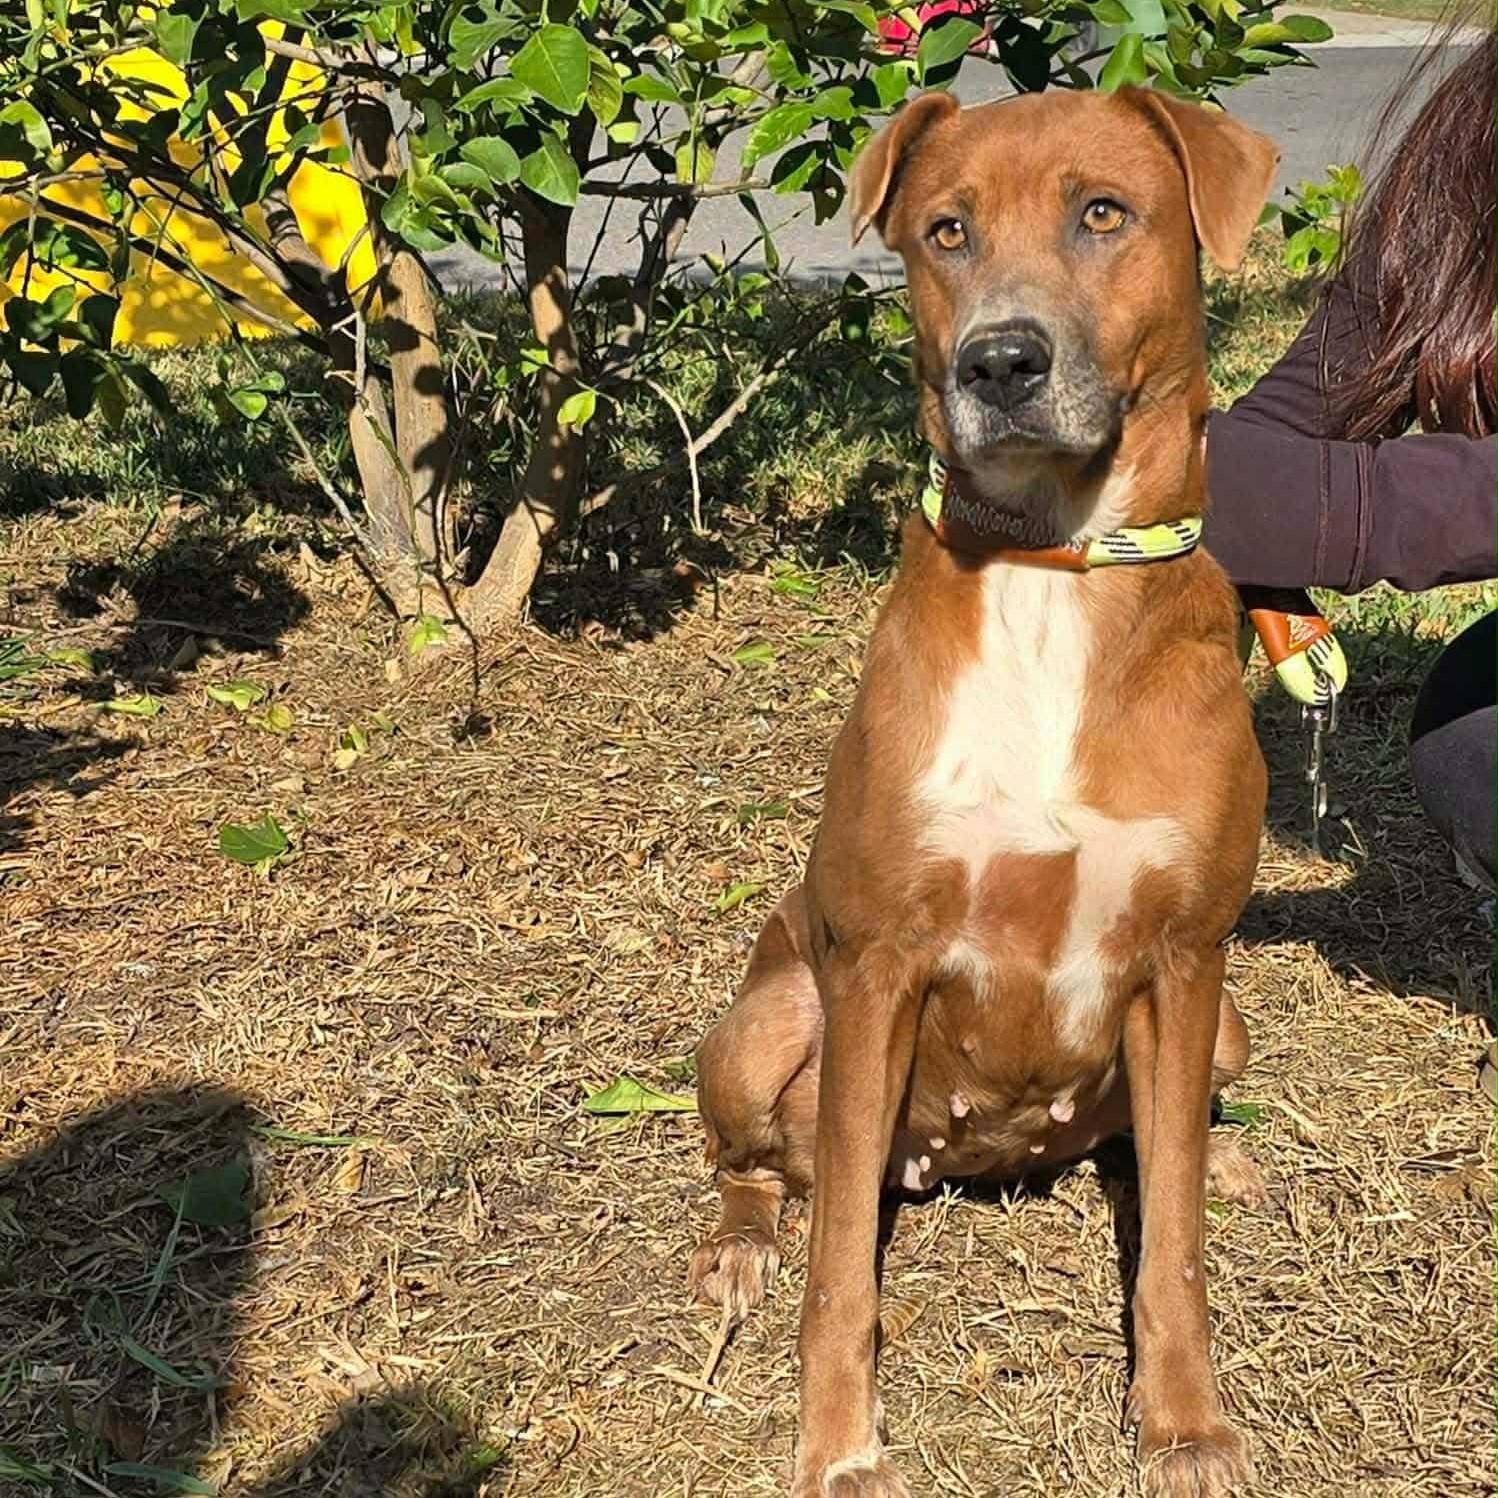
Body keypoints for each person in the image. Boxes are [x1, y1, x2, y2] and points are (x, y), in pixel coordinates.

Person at [1201, 17, 1496, 1094]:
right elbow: (1262, 445)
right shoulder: (1473, 147)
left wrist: (1321, 515)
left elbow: (1248, 491)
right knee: (1472, 732)